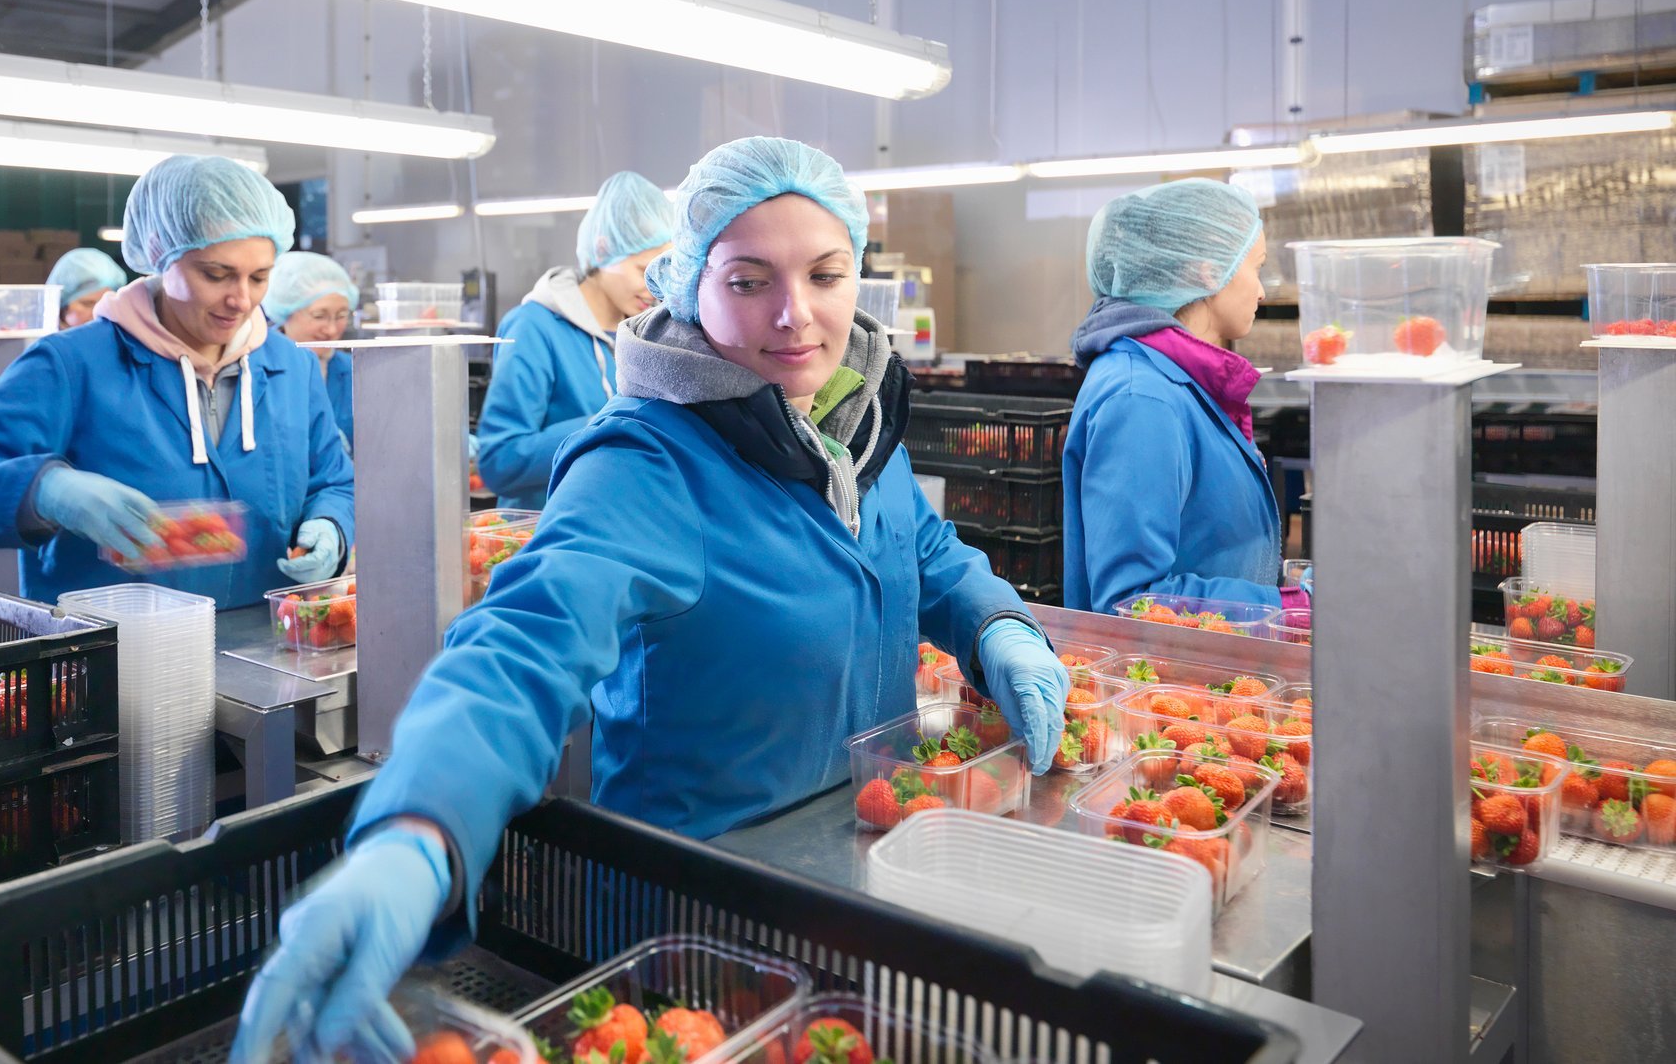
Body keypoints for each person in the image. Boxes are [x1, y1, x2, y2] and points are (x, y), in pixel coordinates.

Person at [225, 138, 1069, 1061]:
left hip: (861, 867)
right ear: (685, 285)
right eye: (748, 280)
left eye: (826, 275)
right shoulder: (647, 463)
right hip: (698, 923)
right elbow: (523, 645)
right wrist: (418, 830)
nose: (796, 316)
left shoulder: (850, 418)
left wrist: (997, 626)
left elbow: (926, 552)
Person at [0, 155, 356, 607]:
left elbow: (335, 481)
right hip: (113, 661)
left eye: (259, 277)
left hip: (266, 653)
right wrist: (45, 491)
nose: (240, 299)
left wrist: (332, 525)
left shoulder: (289, 368)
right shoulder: (73, 365)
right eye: (216, 274)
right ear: (159, 255)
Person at [1062, 178, 1296, 615]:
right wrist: (1281, 608)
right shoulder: (1142, 399)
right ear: (1210, 269)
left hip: (1210, 667)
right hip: (1166, 679)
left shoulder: (1178, 383)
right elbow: (1134, 601)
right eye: (1256, 267)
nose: (1262, 291)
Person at [475, 171, 677, 509]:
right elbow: (500, 462)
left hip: (619, 527)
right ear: (603, 250)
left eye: (662, 272)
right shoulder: (535, 328)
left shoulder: (648, 333)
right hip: (546, 537)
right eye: (642, 269)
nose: (653, 286)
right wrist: (606, 425)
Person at [262, 250, 360, 446]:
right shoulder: (260, 369)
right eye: (318, 316)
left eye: (341, 315)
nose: (331, 329)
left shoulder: (354, 371)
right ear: (284, 311)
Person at [48, 247, 129, 327]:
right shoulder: (42, 338)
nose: (98, 313)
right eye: (88, 304)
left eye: (106, 304)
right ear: (61, 307)